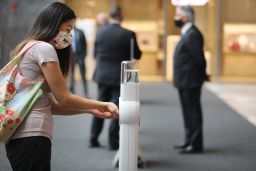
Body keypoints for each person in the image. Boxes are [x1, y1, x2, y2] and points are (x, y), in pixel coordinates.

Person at [5, 2, 118, 171]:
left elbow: (53, 106)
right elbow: (64, 98)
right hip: (33, 137)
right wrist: (103, 104)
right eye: (68, 28)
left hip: (19, 136)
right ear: (54, 23)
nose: (69, 34)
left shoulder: (27, 46)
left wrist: (89, 110)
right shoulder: (44, 49)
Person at [89, 4, 141, 150]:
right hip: (119, 76)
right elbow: (137, 55)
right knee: (117, 108)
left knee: (99, 106)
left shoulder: (100, 32)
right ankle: (113, 141)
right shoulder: (128, 34)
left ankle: (93, 138)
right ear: (120, 15)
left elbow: (95, 54)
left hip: (102, 75)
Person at [172, 6, 209, 154]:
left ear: (185, 17)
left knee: (193, 112)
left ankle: (195, 144)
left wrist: (202, 75)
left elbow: (199, 59)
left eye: (177, 15)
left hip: (190, 81)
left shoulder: (193, 34)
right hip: (185, 80)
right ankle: (189, 140)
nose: (175, 18)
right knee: (187, 112)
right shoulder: (187, 32)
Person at [69, 25, 87, 96]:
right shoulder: (67, 33)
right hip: (71, 57)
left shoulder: (80, 32)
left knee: (83, 74)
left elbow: (85, 45)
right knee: (72, 74)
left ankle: (86, 92)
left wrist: (83, 56)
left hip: (80, 56)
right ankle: (72, 92)